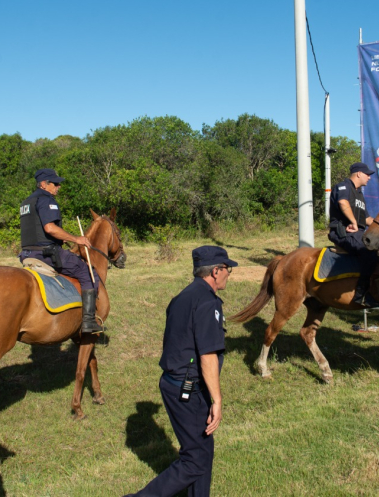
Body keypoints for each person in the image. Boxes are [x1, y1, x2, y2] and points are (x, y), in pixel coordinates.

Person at [127, 245, 234, 497]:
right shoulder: (208, 303)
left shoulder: (184, 296)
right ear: (216, 271)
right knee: (194, 460)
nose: (230, 274)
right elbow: (207, 356)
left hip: (173, 383)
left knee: (202, 450)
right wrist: (217, 400)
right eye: (228, 269)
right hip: (188, 389)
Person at [19, 168, 103, 334]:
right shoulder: (46, 200)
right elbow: (49, 228)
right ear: (44, 184)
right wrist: (76, 239)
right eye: (55, 183)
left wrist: (60, 237)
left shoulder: (26, 202)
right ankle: (88, 321)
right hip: (46, 254)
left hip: (27, 254)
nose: (59, 186)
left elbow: (37, 231)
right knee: (87, 272)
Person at [328, 162, 379, 308]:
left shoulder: (359, 195)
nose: (369, 178)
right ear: (359, 173)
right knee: (369, 252)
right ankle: (362, 294)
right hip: (343, 232)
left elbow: (366, 219)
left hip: (356, 233)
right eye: (367, 175)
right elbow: (343, 203)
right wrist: (353, 222)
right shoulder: (343, 187)